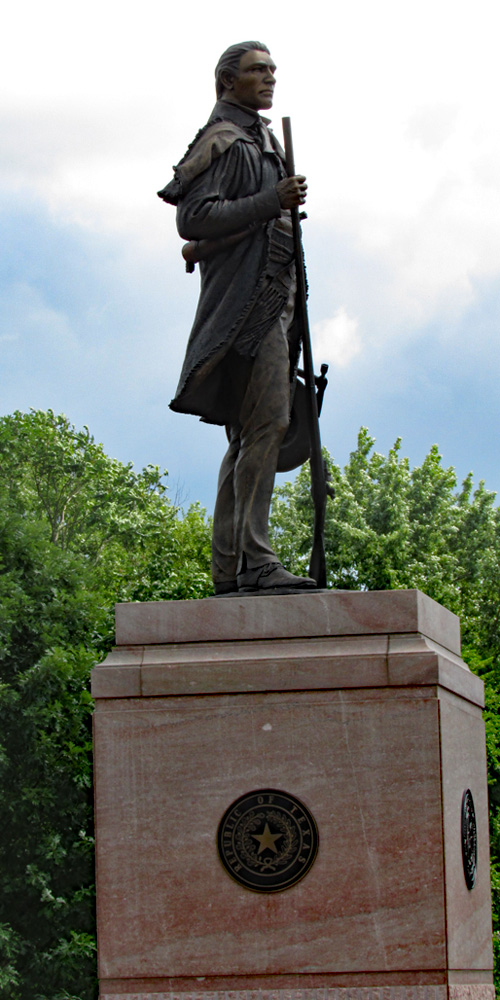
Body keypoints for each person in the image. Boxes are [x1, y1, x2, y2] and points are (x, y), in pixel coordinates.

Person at [158, 41, 317, 595]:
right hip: (250, 307)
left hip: (277, 299)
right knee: (268, 424)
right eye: (257, 70)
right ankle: (255, 561)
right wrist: (272, 200)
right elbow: (193, 218)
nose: (270, 77)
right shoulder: (222, 139)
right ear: (229, 81)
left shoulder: (260, 136)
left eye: (272, 69)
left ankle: (232, 566)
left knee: (251, 431)